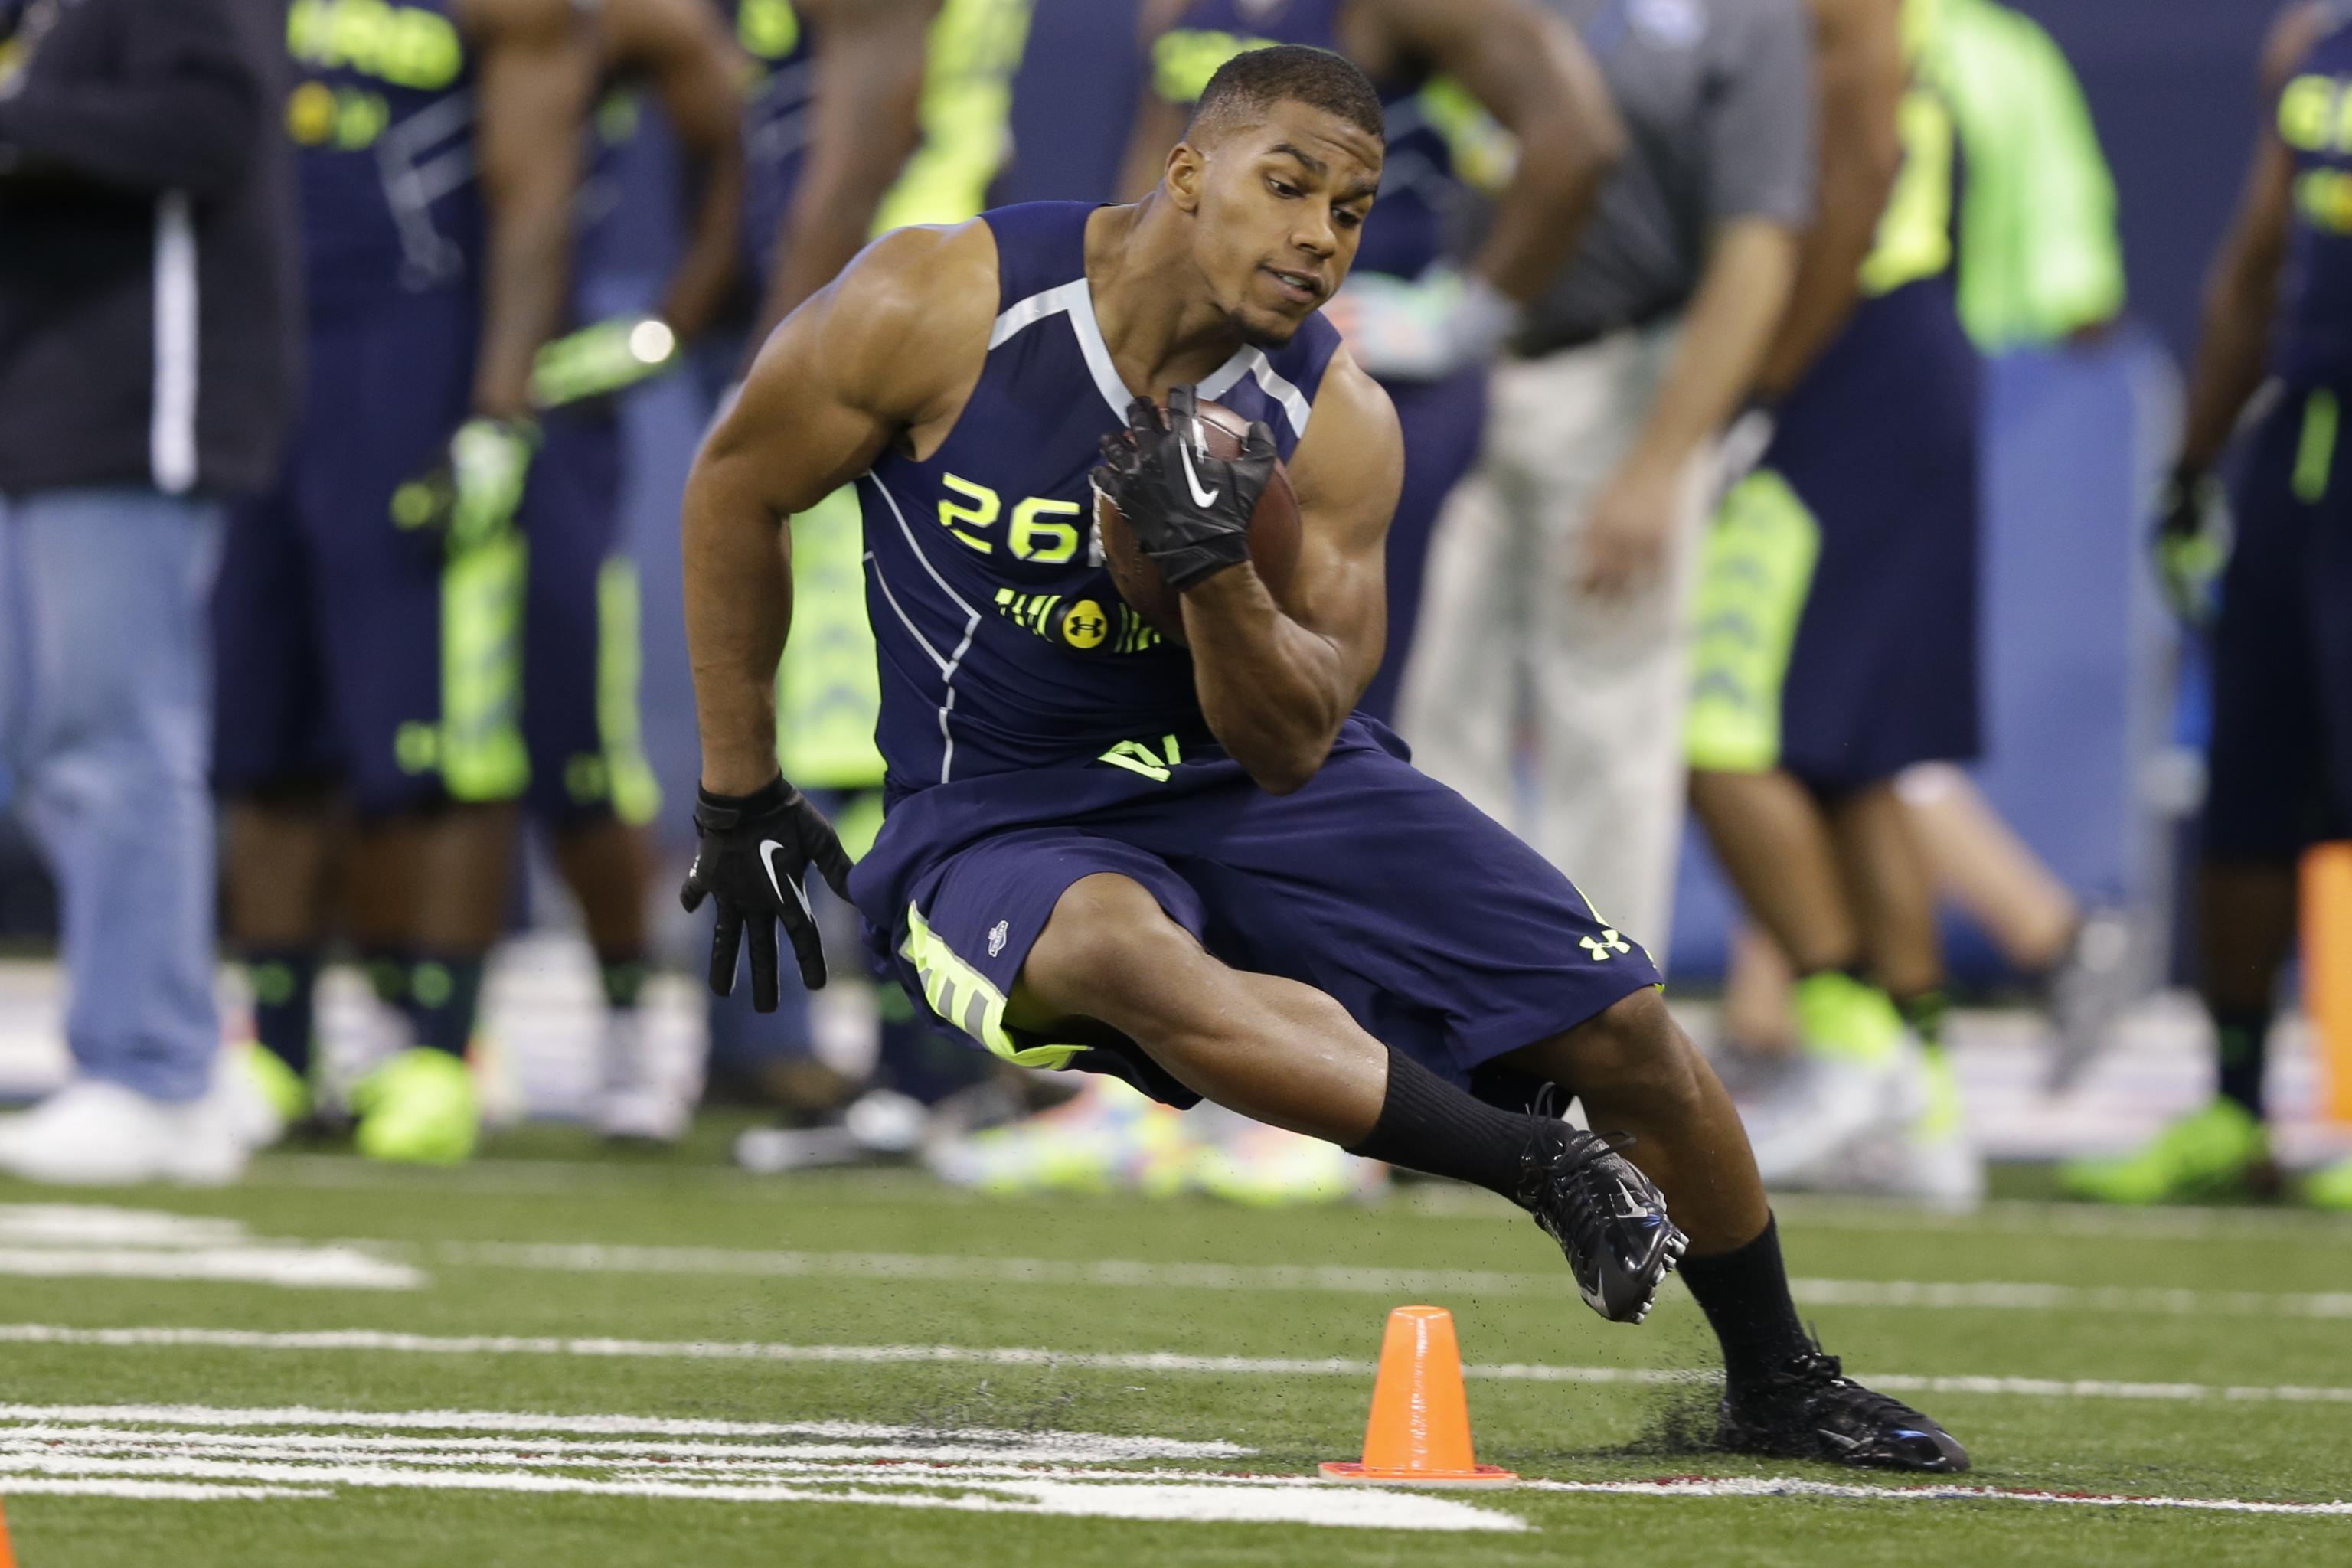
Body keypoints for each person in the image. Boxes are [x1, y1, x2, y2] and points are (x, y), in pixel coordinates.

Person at [681, 44, 1967, 1470]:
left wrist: (1212, 570)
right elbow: (736, 482)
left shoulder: (1337, 421)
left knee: (1624, 1024)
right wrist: (738, 786)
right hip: (995, 810)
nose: (1314, 235)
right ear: (1186, 172)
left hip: (1241, 780)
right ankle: (1535, 1163)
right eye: (1283, 186)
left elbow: (1295, 742)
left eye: (1348, 211)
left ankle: (1780, 1380)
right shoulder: (941, 300)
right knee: (1117, 951)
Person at [215, 0, 595, 1163]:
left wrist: (495, 407)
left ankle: (442, 1049)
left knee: (435, 730)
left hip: (411, 355)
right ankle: (275, 1050)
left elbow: (535, 194)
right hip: (261, 353)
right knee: (261, 726)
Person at [1400, 0, 1814, 953]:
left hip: (1620, 376)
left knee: (1608, 726)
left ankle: (1597, 1058)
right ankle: (1447, 1027)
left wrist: (1660, 463)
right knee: (1431, 709)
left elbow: (1758, 250)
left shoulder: (1747, 21)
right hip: (1446, 377)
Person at [1680, 0, 1991, 1201]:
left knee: (1715, 730)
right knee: (1858, 755)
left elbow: (1861, 168)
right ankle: (1924, 1093)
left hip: (1843, 354)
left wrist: (1758, 384)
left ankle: (1850, 1044)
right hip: (1879, 348)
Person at [1119, 0, 1624, 724]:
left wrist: (1459, 322)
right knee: (1167, 667)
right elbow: (1160, 167)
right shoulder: (1177, 9)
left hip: (1365, 386)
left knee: (1333, 697)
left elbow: (1579, 137)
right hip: (1221, 371)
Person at [0, 0, 297, 1184]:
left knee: (115, 739)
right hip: (48, 400)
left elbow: (207, 127)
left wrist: (18, 115)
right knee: (43, 740)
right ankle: (157, 1049)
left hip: (141, 397)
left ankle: (156, 1068)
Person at [2065, 2, 2352, 1210]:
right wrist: (2193, 464)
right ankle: (2237, 1107)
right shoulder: (2311, 51)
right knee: (2251, 778)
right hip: (2300, 442)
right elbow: (2254, 266)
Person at [501, 0, 746, 1142]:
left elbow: (737, 131)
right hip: (409, 351)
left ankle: (627, 1034)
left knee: (587, 730)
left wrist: (668, 322)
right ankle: (408, 1034)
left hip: (563, 373)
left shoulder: (630, 20)